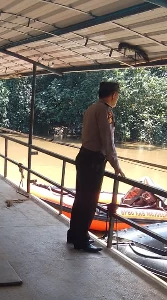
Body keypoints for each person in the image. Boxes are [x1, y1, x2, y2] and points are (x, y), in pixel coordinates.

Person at [67, 82, 125, 252]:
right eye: (117, 96)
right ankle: (82, 240)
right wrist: (116, 165)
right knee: (90, 202)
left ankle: (73, 234)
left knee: (80, 199)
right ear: (113, 95)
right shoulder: (106, 111)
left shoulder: (91, 108)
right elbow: (108, 142)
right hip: (94, 161)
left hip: (84, 156)